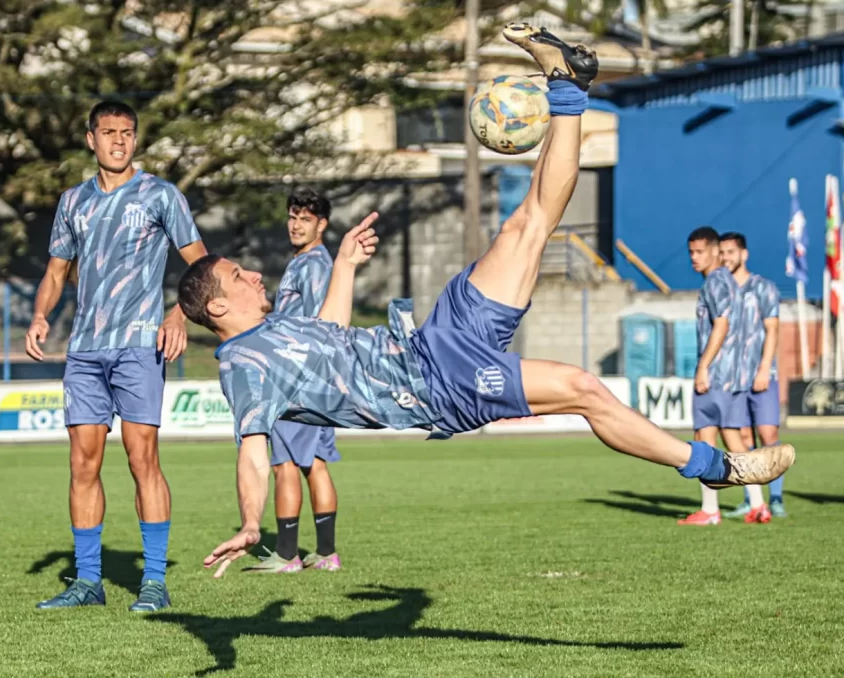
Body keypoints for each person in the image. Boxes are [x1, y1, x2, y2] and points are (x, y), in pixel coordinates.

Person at [176, 24, 795, 576]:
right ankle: (719, 470)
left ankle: (567, 87)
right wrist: (251, 523)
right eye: (238, 277)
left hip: (428, 338)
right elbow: (253, 451)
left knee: (526, 224)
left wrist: (342, 265)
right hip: (437, 383)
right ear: (219, 307)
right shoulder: (244, 366)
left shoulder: (278, 322)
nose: (253, 274)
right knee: (582, 386)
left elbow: (335, 336)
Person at [25, 100, 207, 611]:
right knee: (82, 464)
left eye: (127, 132)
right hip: (84, 349)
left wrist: (178, 314)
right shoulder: (72, 202)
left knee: (141, 457)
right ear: (91, 139)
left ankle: (153, 582)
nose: (119, 141)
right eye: (109, 133)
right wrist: (41, 316)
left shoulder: (161, 195)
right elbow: (56, 273)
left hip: (139, 344)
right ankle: (87, 583)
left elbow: (202, 265)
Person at [247, 188, 343, 574]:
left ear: (322, 224)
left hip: (299, 379)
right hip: (316, 379)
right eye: (292, 217)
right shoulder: (303, 262)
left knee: (284, 464)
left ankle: (287, 556)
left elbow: (322, 322)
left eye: (305, 219)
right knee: (314, 464)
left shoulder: (314, 265)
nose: (296, 225)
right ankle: (326, 555)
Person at [678, 227, 770, 526]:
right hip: (735, 376)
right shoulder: (729, 281)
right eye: (691, 251)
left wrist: (703, 366)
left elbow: (721, 325)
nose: (694, 257)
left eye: (700, 251)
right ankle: (758, 505)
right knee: (734, 440)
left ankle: (709, 510)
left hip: (716, 374)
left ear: (715, 252)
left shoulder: (715, 281)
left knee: (704, 440)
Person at [718, 233, 787, 519]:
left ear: (744, 254)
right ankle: (752, 499)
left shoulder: (764, 288)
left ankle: (778, 498)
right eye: (721, 252)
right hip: (731, 379)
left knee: (768, 434)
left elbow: (772, 330)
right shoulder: (719, 290)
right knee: (741, 436)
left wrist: (763, 368)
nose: (725, 257)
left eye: (730, 252)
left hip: (761, 375)